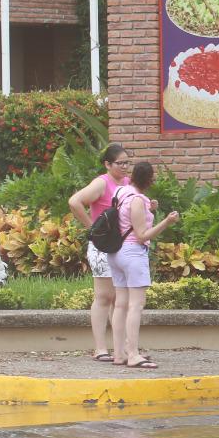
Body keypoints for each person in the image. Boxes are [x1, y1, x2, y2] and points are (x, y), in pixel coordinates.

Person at [108, 162, 180, 370]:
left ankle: (119, 353)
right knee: (135, 305)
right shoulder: (138, 201)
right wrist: (166, 221)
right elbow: (142, 236)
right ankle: (133, 354)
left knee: (120, 304)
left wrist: (150, 207)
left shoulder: (122, 191)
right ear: (149, 180)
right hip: (133, 255)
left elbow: (126, 218)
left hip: (116, 253)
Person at [66, 143, 131, 362]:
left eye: (126, 163)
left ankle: (122, 349)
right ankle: (100, 348)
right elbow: (75, 202)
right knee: (104, 296)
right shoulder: (101, 183)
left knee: (120, 298)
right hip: (103, 246)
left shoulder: (127, 183)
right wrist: (93, 229)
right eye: (120, 163)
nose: (124, 167)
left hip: (122, 246)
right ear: (108, 164)